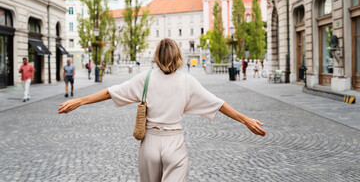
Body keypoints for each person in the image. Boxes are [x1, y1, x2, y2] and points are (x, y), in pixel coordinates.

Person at [58, 38, 266, 181]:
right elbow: (219, 104)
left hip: (149, 143)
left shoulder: (144, 78)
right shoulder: (187, 81)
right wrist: (245, 120)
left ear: (156, 56)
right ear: (178, 56)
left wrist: (79, 101)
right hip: (174, 144)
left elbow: (109, 92)